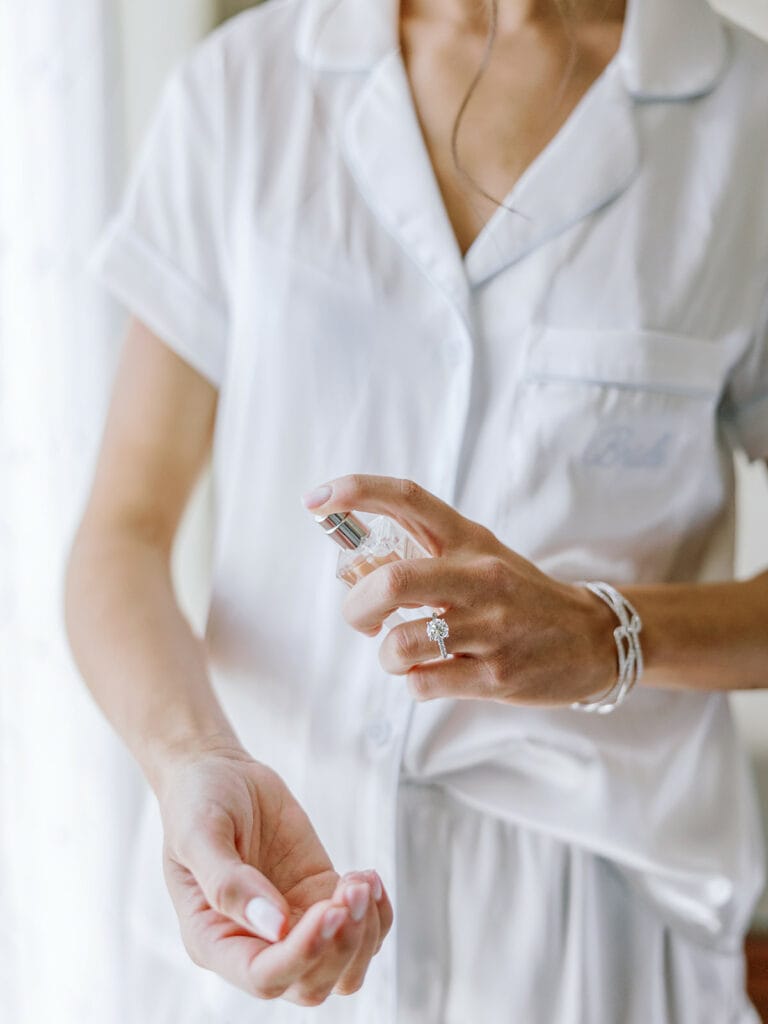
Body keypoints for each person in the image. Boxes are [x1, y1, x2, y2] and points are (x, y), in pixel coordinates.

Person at [63, 0, 768, 1019]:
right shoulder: (246, 88)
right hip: (267, 894)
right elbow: (121, 533)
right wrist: (192, 762)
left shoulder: (744, 125)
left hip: (596, 941)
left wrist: (611, 632)